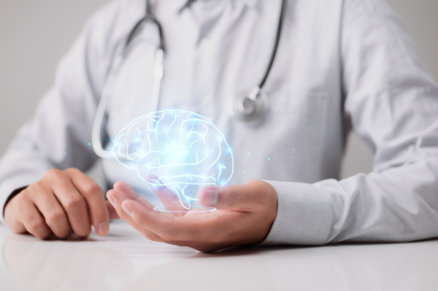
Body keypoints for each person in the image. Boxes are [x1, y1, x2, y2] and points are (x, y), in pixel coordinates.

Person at [1, 0, 438, 253]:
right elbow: (28, 158)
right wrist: (28, 196)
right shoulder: (118, 22)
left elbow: (430, 171)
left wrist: (289, 214)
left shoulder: (344, 12)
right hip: (122, 282)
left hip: (288, 283)